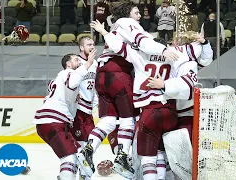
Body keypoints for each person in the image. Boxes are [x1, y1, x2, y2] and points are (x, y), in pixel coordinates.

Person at [94, 20, 213, 180]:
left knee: (150, 159)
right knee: (164, 155)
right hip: (171, 113)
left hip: (150, 112)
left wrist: (104, 32)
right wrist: (203, 42)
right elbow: (202, 58)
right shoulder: (178, 55)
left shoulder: (141, 54)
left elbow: (119, 47)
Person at [79, 1, 179, 178]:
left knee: (109, 120)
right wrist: (163, 49)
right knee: (128, 120)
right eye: (136, 12)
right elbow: (144, 42)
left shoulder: (118, 28)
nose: (139, 15)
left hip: (102, 75)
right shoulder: (128, 22)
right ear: (127, 13)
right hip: (118, 73)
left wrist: (103, 32)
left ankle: (87, 151)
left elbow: (120, 45)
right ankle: (122, 158)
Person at [33, 51, 97, 179]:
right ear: (68, 64)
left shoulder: (59, 77)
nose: (79, 62)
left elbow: (54, 86)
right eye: (75, 60)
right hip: (54, 121)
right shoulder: (70, 73)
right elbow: (72, 82)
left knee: (75, 153)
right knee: (69, 158)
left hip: (46, 123)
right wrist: (89, 63)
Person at [68, 36, 99, 179]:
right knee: (78, 146)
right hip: (77, 111)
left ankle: (84, 175)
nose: (92, 47)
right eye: (88, 45)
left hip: (89, 111)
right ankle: (69, 174)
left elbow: (95, 86)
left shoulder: (95, 64)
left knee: (89, 147)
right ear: (81, 47)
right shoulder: (76, 63)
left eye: (93, 44)